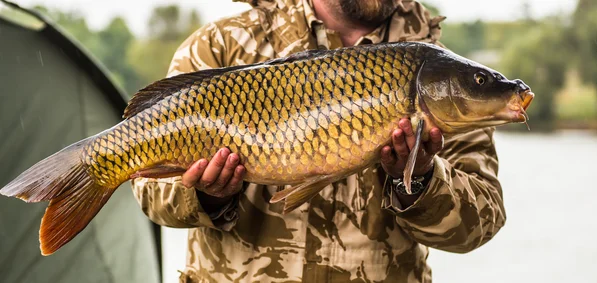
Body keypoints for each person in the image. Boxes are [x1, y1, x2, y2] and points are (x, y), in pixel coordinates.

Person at [132, 0, 506, 282]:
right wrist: (210, 194)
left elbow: (480, 222)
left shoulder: (440, 73)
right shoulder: (222, 45)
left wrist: (419, 178)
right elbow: (148, 191)